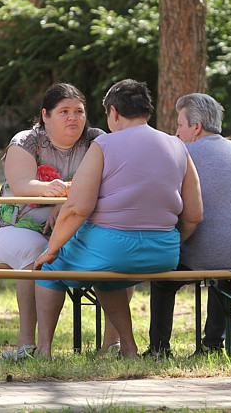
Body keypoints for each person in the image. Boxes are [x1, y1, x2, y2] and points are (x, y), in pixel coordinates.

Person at [33, 79, 203, 359]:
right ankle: (128, 347)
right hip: (164, 252)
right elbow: (194, 215)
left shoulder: (104, 145)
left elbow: (77, 207)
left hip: (112, 247)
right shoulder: (177, 146)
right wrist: (166, 239)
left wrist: (51, 250)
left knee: (48, 270)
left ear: (113, 112)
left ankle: (44, 350)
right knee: (108, 278)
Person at [145, 93, 231, 357]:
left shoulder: (184, 151)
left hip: (219, 250)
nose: (176, 132)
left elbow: (169, 202)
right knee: (222, 273)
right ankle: (213, 344)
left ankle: (159, 348)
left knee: (162, 279)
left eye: (180, 125)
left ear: (196, 127)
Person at [0, 83, 107, 360]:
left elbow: (111, 183)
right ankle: (28, 345)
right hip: (18, 229)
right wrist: (52, 191)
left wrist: (66, 206)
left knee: (113, 252)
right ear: (45, 115)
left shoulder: (97, 140)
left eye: (79, 111)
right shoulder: (26, 141)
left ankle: (112, 346)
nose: (73, 118)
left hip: (75, 231)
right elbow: (21, 185)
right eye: (64, 111)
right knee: (36, 254)